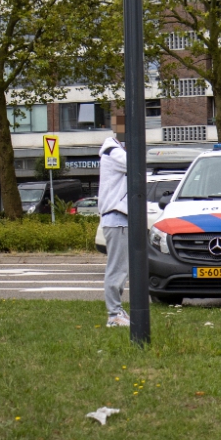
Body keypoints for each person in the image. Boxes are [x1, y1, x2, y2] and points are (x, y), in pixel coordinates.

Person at [98, 136, 129, 327]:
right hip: (117, 217)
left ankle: (117, 311)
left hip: (119, 218)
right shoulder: (114, 152)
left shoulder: (115, 151)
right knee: (117, 268)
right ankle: (114, 315)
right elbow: (134, 164)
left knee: (121, 268)